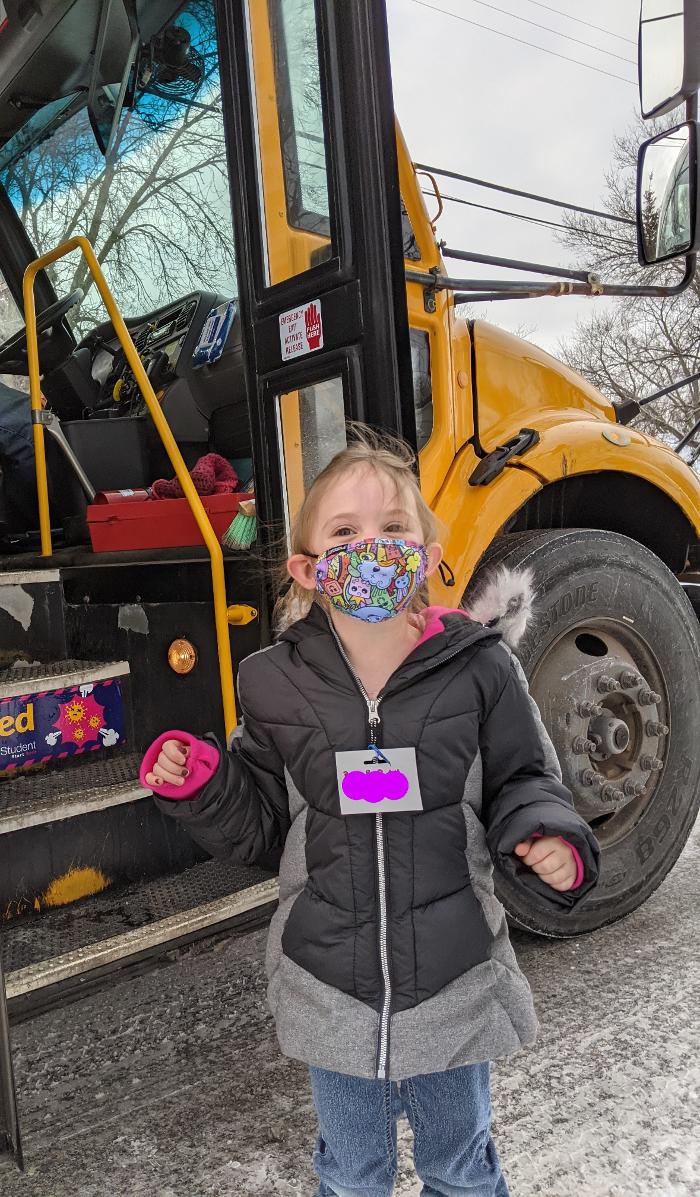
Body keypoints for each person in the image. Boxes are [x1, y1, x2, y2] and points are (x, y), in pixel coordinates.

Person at [139, 425, 600, 1197]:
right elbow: (261, 826)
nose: (372, 546)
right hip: (332, 988)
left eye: (393, 529)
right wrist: (205, 784)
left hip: (453, 979)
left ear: (422, 552)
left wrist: (548, 836)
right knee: (352, 1175)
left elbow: (525, 777)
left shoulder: (480, 668)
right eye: (346, 532)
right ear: (309, 568)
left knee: (462, 1167)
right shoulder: (275, 683)